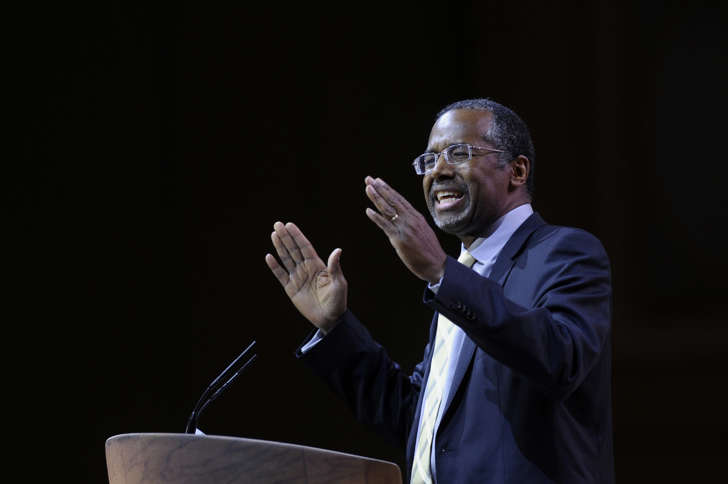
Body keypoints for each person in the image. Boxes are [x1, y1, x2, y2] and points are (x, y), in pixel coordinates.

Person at [264, 98, 614, 484]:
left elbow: (559, 358)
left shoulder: (566, 253)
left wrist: (442, 272)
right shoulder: (460, 276)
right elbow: (419, 421)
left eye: (459, 153)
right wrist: (335, 327)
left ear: (516, 170)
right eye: (429, 161)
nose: (440, 171)